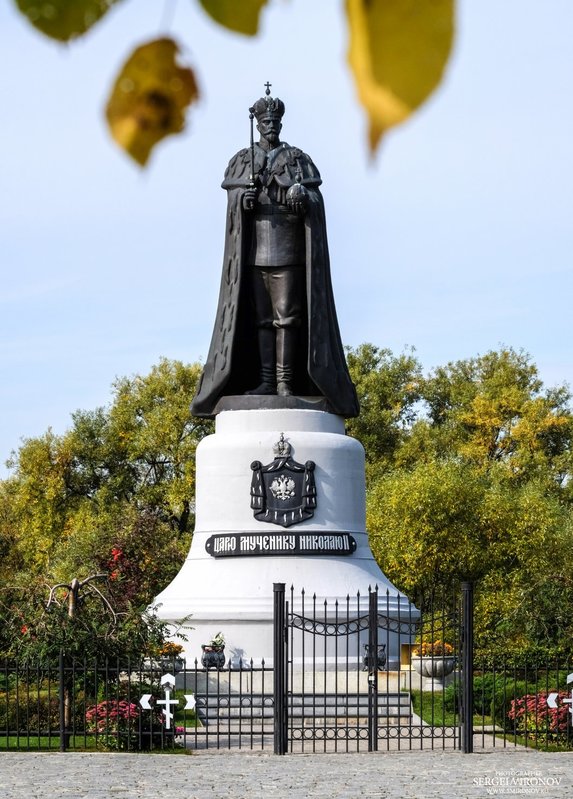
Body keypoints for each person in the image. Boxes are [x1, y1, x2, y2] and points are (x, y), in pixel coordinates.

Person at [191, 87, 359, 418]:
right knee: (261, 321)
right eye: (265, 122)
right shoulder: (243, 160)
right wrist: (243, 201)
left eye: (274, 122)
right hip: (254, 254)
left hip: (289, 251)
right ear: (257, 124)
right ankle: (266, 382)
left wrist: (301, 196)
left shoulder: (297, 159)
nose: (270, 127)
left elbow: (314, 201)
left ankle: (285, 383)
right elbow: (233, 204)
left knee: (289, 319)